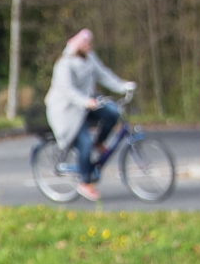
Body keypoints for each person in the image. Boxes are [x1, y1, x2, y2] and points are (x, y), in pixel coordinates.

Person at [46, 29, 135, 202]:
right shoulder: (64, 64)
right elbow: (67, 90)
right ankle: (85, 182)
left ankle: (100, 142)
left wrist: (123, 86)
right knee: (85, 143)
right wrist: (86, 101)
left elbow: (104, 74)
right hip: (66, 113)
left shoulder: (90, 58)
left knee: (112, 112)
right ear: (78, 45)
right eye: (86, 43)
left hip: (85, 107)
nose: (89, 46)